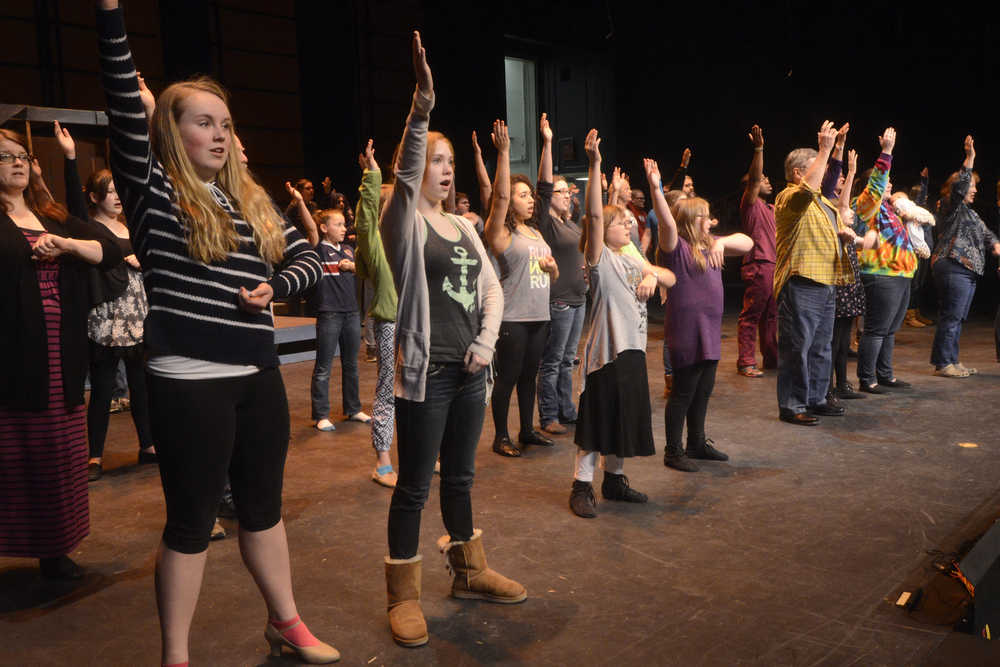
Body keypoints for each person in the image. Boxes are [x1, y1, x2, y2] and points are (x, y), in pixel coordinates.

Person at [97, 3, 337, 664]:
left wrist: (278, 286)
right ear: (169, 132)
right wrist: (111, 13)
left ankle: (286, 622)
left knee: (263, 508)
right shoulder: (152, 189)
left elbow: (320, 257)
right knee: (191, 523)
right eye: (204, 121)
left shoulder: (248, 197)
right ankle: (176, 654)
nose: (221, 133)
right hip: (190, 379)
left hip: (256, 377)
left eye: (226, 123)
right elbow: (122, 94)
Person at [379, 32, 525, 648]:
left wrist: (487, 343)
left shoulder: (464, 225)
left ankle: (469, 572)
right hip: (427, 372)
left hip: (471, 372)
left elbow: (492, 292)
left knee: (461, 478)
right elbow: (406, 177)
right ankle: (403, 597)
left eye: (447, 162)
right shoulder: (402, 221)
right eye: (435, 161)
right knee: (415, 484)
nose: (443, 170)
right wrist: (423, 108)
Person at [0, 128, 122, 579]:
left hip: (61, 348)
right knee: (17, 450)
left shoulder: (50, 214)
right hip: (15, 348)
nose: (16, 163)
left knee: (59, 450)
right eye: (4, 157)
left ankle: (55, 548)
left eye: (22, 156)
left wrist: (67, 244)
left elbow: (108, 249)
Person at [568, 132, 675, 518]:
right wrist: (595, 165)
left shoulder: (631, 256)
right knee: (596, 422)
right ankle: (581, 485)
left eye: (630, 222)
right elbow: (596, 215)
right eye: (622, 223)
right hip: (605, 354)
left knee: (623, 419)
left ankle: (614, 480)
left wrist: (653, 276)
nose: (628, 225)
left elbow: (671, 277)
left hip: (633, 349)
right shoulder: (599, 259)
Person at [52, 121, 156, 481]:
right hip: (108, 316)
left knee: (143, 387)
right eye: (107, 190)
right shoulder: (88, 226)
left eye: (117, 190)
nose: (115, 196)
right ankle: (94, 455)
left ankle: (148, 446)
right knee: (102, 388)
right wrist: (69, 157)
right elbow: (73, 202)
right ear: (94, 196)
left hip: (138, 314)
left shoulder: (133, 227)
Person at [656, 163, 752, 472]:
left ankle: (697, 443)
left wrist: (722, 241)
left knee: (703, 391)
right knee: (683, 392)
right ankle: (674, 451)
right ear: (688, 220)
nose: (710, 221)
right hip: (686, 330)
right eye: (703, 216)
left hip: (709, 329)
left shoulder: (711, 246)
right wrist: (656, 187)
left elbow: (748, 243)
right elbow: (667, 224)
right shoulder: (677, 248)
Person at [774, 121, 857, 426]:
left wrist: (836, 150)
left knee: (822, 347)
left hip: (826, 282)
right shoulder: (788, 197)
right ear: (798, 173)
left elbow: (826, 182)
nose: (823, 175)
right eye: (815, 168)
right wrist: (825, 149)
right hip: (802, 282)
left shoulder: (822, 204)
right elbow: (809, 188)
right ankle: (792, 403)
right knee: (798, 347)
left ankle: (816, 398)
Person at [484, 125, 559, 457]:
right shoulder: (500, 232)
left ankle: (527, 430)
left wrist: (553, 269)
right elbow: (498, 197)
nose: (530, 199)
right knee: (508, 379)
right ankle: (500, 436)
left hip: (540, 316)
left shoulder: (535, 231)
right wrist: (502, 154)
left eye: (530, 195)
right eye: (523, 194)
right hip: (512, 318)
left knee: (530, 377)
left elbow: (549, 275)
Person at [849, 127, 916, 393]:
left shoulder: (889, 210)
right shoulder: (867, 205)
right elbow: (877, 186)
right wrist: (886, 153)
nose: (889, 183)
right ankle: (867, 379)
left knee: (889, 330)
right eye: (885, 179)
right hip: (881, 274)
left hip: (900, 275)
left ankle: (885, 374)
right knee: (876, 329)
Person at [929, 135, 1000, 377]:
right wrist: (970, 158)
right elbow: (960, 187)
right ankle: (943, 363)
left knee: (957, 317)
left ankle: (951, 359)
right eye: (972, 186)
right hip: (952, 264)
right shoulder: (950, 205)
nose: (975, 190)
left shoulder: (971, 214)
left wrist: (996, 245)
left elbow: (988, 234)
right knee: (951, 315)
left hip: (967, 269)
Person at [534, 113, 587, 435]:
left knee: (568, 360)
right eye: (562, 191)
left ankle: (567, 410)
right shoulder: (548, 221)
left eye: (569, 191)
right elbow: (542, 187)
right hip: (560, 302)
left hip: (579, 299)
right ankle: (549, 415)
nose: (568, 195)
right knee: (552, 361)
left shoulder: (570, 222)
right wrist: (549, 142)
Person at [353, 138, 399, 486]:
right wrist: (373, 175)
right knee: (388, 388)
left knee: (423, 389)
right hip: (389, 324)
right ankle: (383, 460)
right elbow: (366, 219)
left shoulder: (413, 240)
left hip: (419, 325)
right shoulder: (375, 244)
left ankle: (423, 453)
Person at [309, 207, 370, 431]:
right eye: (338, 225)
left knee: (351, 364)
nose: (344, 229)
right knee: (324, 366)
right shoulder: (319, 249)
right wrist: (299, 202)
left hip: (352, 313)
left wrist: (353, 266)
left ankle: (353, 408)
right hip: (329, 313)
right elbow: (310, 228)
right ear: (324, 228)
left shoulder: (347, 250)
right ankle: (321, 414)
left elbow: (366, 269)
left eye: (344, 224)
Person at [736, 125, 778, 378]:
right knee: (752, 314)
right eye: (763, 179)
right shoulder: (750, 204)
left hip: (773, 265)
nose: (767, 181)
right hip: (758, 263)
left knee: (771, 315)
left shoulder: (772, 208)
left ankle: (772, 358)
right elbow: (753, 179)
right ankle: (746, 361)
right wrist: (759, 149)